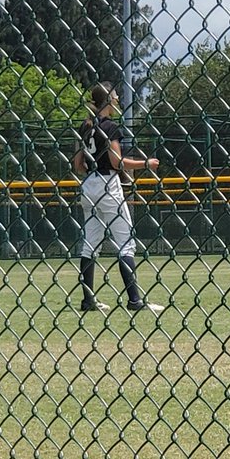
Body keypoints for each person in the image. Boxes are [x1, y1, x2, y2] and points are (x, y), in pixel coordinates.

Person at [73, 82, 164, 313]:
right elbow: (117, 163)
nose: (117, 100)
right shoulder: (110, 127)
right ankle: (134, 300)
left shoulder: (86, 126)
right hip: (107, 184)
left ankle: (88, 300)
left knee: (90, 243)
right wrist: (147, 163)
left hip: (89, 184)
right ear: (109, 100)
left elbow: (78, 166)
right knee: (125, 242)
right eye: (114, 96)